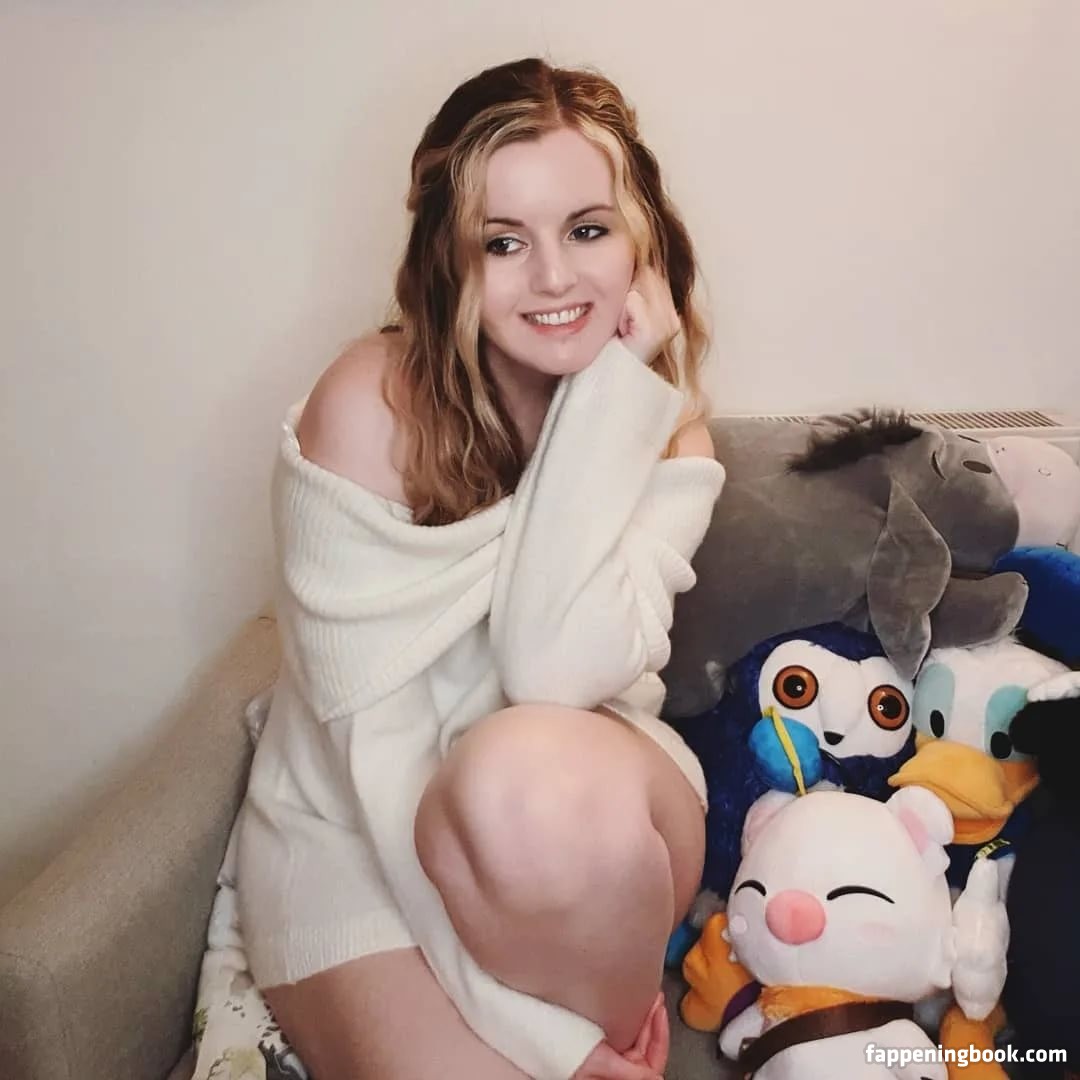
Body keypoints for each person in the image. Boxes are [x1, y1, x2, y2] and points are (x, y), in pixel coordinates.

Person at [235, 56, 726, 1080]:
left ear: (641, 243)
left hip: (584, 812)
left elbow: (551, 671)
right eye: (504, 242)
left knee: (522, 782)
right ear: (448, 259)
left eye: (588, 231)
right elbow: (377, 761)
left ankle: (600, 1011)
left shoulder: (664, 427)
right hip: (353, 829)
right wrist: (543, 1045)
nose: (554, 279)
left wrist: (608, 402)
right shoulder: (367, 406)